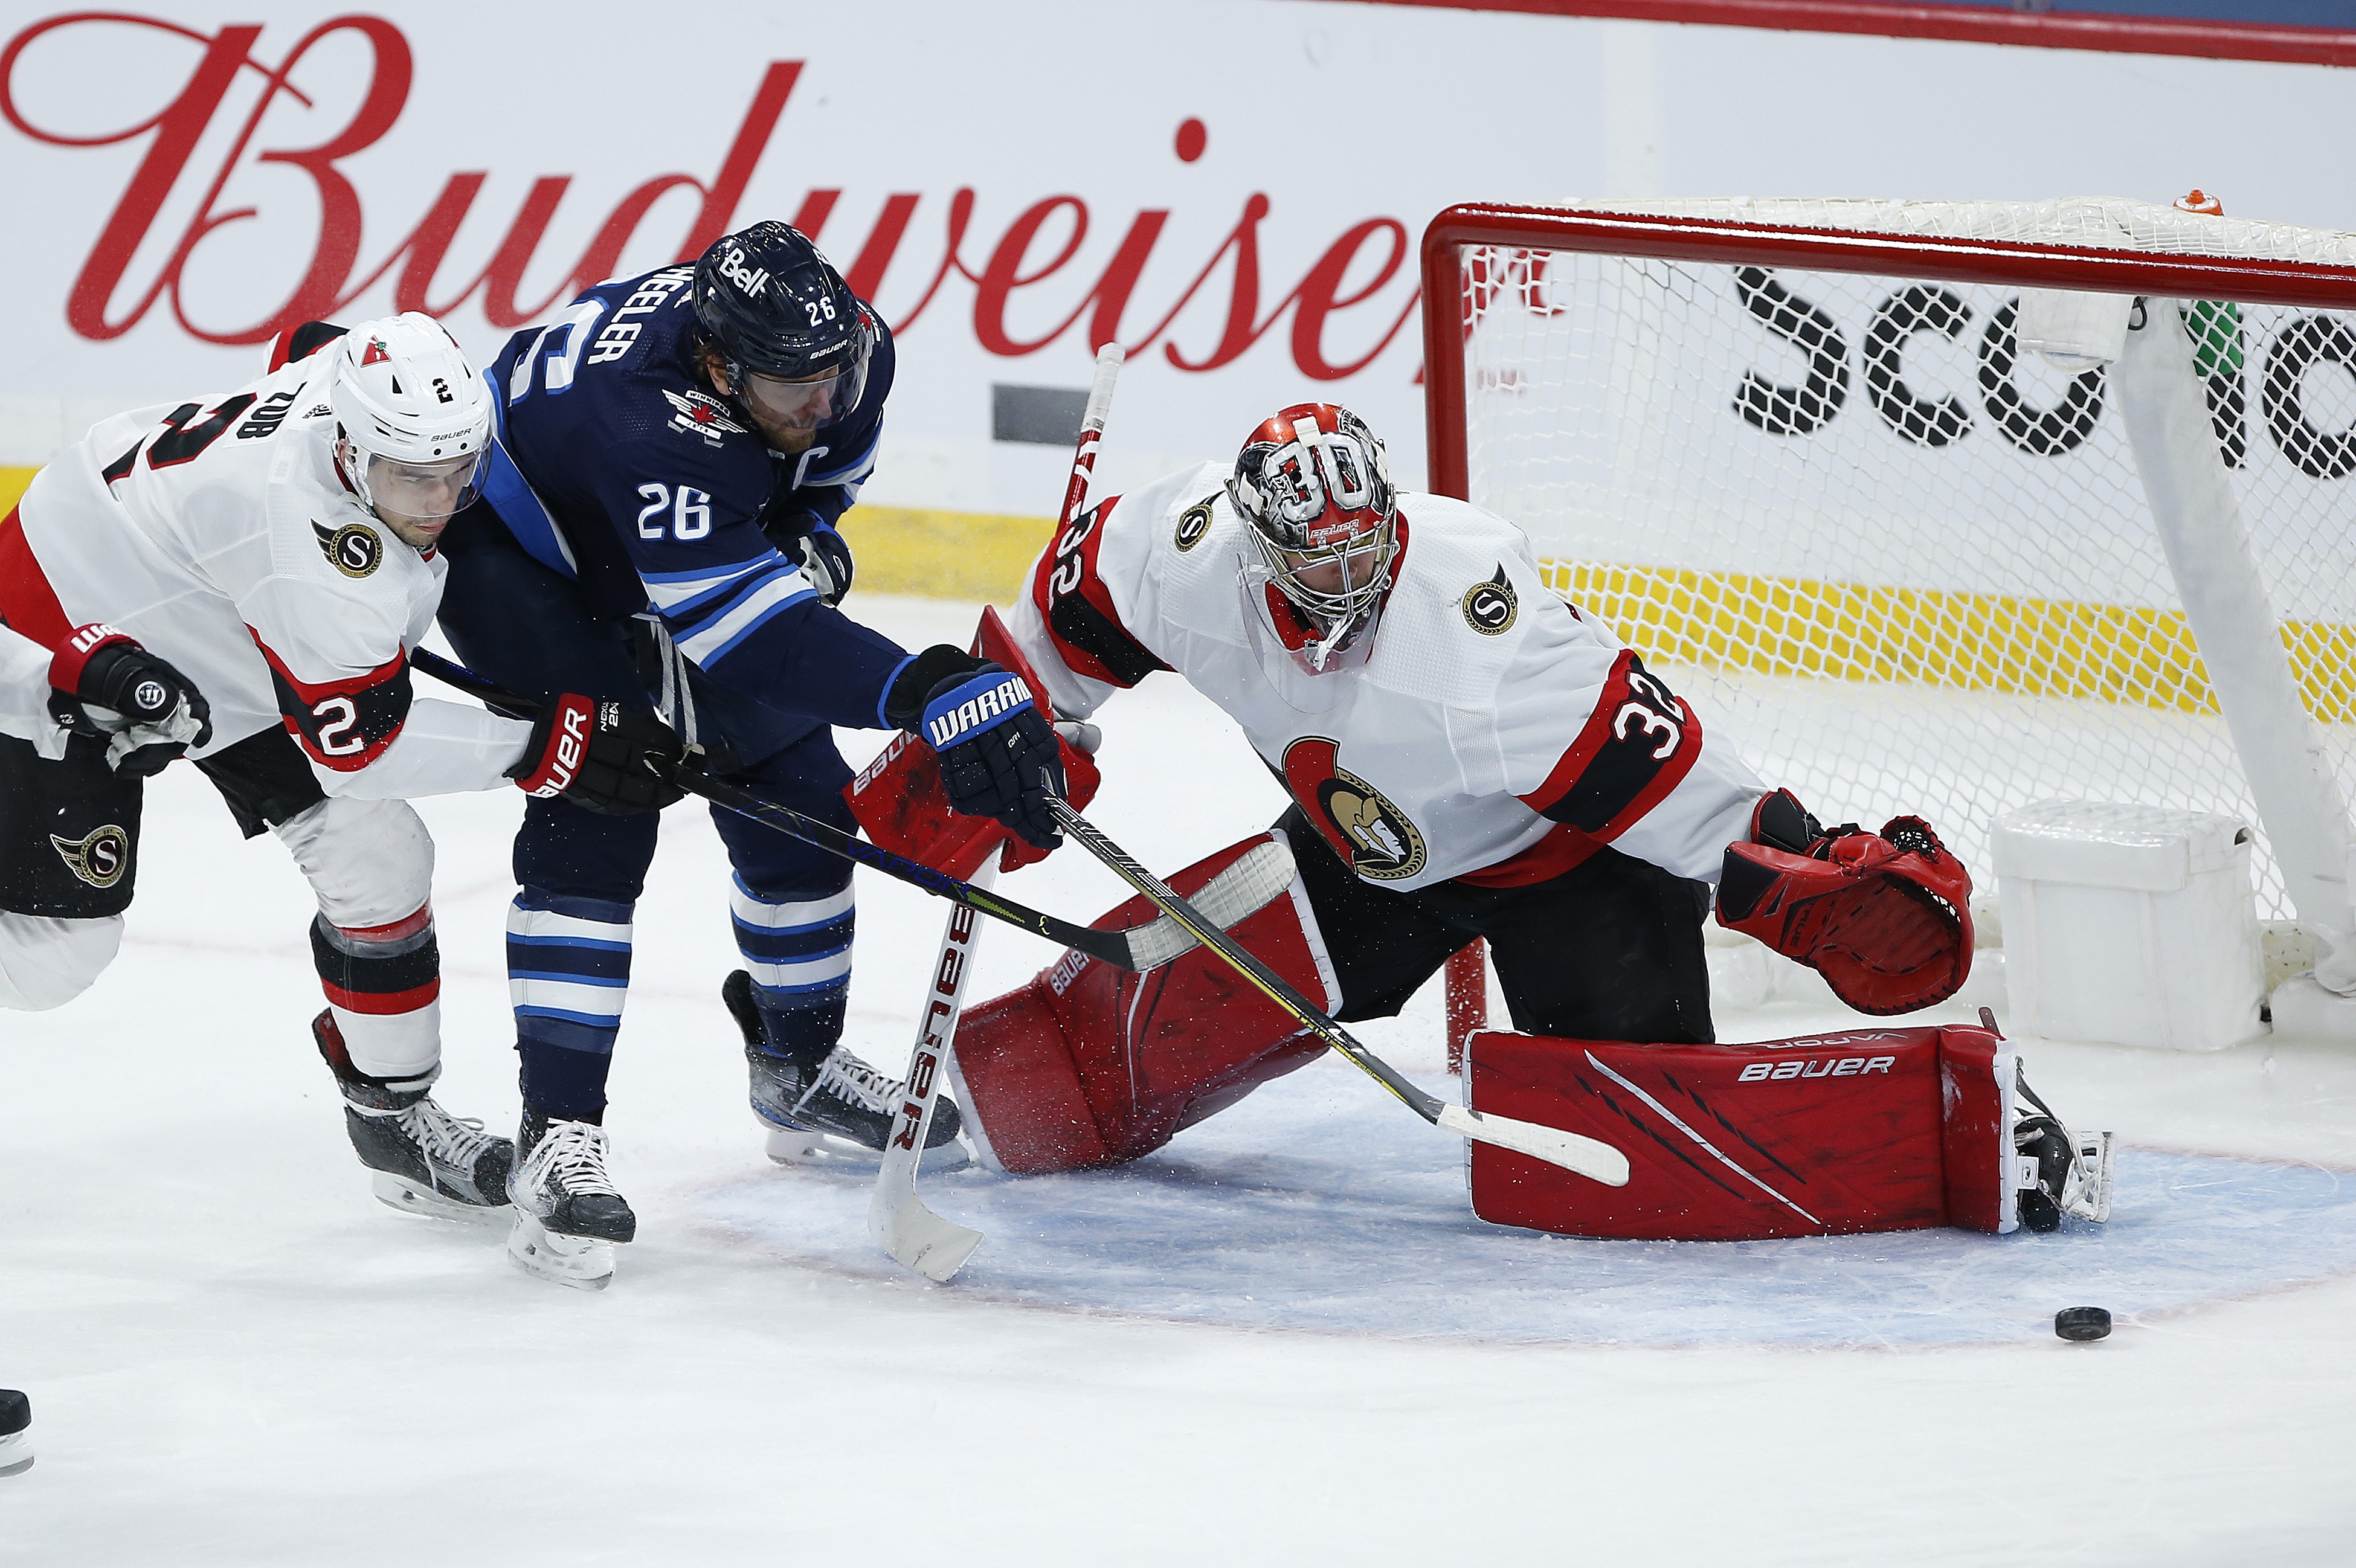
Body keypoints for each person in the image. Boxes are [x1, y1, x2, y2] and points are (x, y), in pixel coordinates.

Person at [938, 403, 2099, 1232]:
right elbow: (1057, 636)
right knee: (1113, 1041)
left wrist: (1799, 871)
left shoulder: (1486, 652)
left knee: (1644, 1161)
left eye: (1366, 549)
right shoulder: (1179, 551)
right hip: (1373, 857)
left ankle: (1969, 1118)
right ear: (1258, 545)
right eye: (1317, 559)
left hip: (1575, 875)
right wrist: (1011, 719)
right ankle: (957, 1114)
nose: (1350, 583)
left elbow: (1680, 786)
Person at [440, 219, 1064, 1288]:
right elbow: (750, 632)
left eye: (833, 376)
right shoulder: (644, 424)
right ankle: (557, 1137)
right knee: (604, 793)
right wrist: (922, 689)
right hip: (520, 551)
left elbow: (814, 480)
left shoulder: (840, 352)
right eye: (790, 389)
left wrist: (811, 527)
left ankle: (798, 1064)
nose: (821, 401)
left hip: (663, 515)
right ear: (720, 367)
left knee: (801, 795)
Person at [0, 313, 680, 1233]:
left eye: (456, 470)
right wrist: (546, 748)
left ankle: (392, 1122)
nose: (439, 498)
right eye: (413, 476)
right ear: (352, 455)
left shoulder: (357, 397)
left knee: (380, 858)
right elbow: (362, 749)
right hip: (55, 625)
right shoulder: (310, 555)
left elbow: (309, 340)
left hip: (203, 608)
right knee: (55, 961)